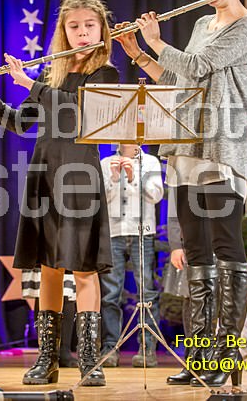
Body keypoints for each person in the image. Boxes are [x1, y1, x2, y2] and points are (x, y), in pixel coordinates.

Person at [113, 0, 247, 388]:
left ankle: (226, 353)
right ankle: (199, 355)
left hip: (221, 148)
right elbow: (178, 78)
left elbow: (199, 66)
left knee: (226, 247)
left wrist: (156, 40)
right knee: (196, 253)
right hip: (185, 147)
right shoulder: (201, 23)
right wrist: (138, 53)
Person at [0, 0, 119, 386]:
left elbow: (75, 113)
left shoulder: (106, 74)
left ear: (101, 29)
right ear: (63, 32)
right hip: (45, 176)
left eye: (89, 26)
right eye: (74, 26)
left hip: (80, 178)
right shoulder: (53, 73)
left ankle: (90, 360)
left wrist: (28, 82)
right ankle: (47, 358)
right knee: (49, 269)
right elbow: (21, 124)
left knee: (83, 270)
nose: (82, 33)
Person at [99, 143, 163, 368]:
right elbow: (100, 200)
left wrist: (134, 177)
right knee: (110, 294)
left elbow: (156, 195)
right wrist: (115, 178)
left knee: (146, 290)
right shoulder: (106, 163)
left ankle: (147, 349)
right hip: (114, 232)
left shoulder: (151, 162)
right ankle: (110, 348)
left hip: (142, 232)